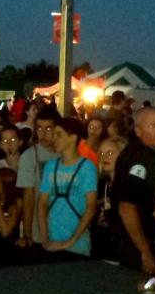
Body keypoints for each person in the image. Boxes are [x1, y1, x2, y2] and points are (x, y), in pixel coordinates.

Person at [112, 107, 155, 275]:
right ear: (138, 130)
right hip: (138, 243)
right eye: (153, 125)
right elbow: (127, 208)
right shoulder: (135, 158)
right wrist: (145, 252)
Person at [38, 118, 98, 257]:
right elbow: (42, 204)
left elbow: (91, 208)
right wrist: (45, 238)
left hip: (78, 245)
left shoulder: (87, 167)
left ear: (73, 138)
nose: (54, 139)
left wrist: (70, 241)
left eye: (58, 134)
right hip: (52, 243)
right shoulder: (51, 166)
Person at [16, 106, 61, 247]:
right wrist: (27, 234)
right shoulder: (29, 157)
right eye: (39, 128)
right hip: (39, 231)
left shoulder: (67, 154)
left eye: (48, 128)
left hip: (66, 229)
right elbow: (28, 197)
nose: (43, 133)